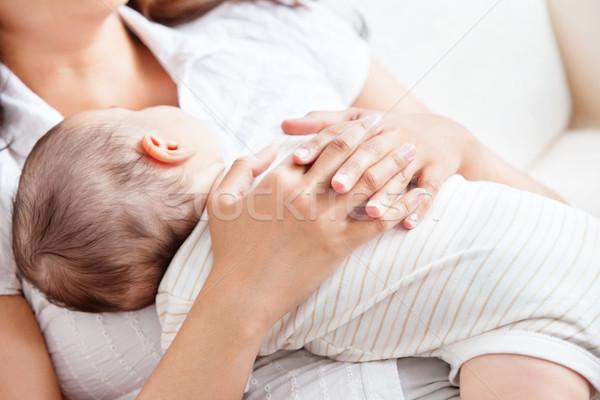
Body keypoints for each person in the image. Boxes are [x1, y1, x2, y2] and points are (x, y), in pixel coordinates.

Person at [0, 0, 577, 398]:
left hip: (532, 327)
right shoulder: (21, 201)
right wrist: (243, 287)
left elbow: (553, 235)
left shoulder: (270, 26)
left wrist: (458, 145)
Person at [12, 105, 599, 399]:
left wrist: (454, 141)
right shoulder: (284, 156)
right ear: (161, 144)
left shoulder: (181, 321)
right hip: (549, 244)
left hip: (518, 322)